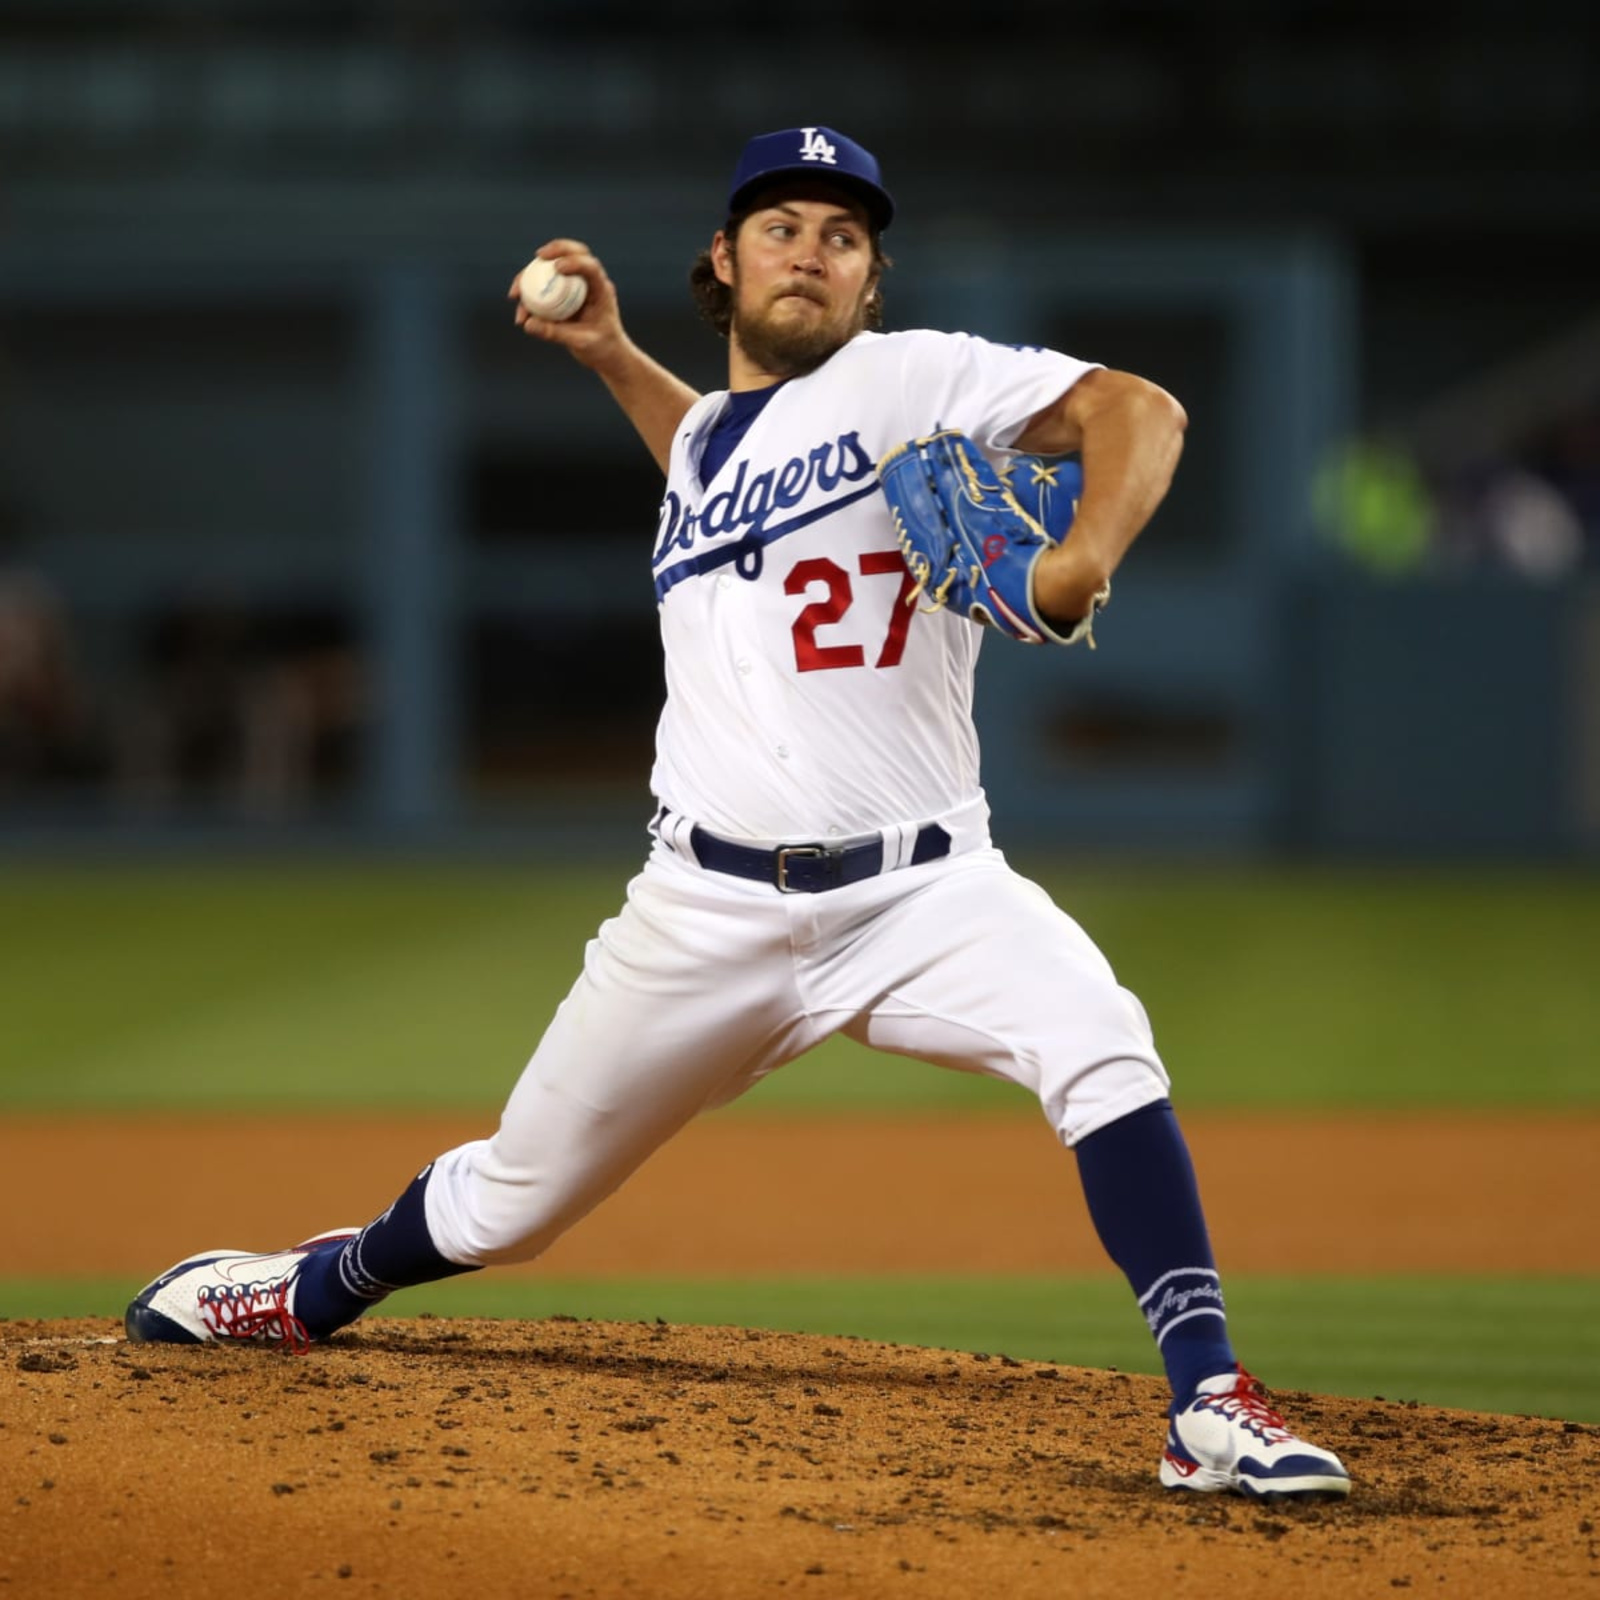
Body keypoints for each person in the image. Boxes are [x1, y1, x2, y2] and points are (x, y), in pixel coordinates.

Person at [125, 125, 1350, 1502]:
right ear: (725, 258)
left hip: (923, 892)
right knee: (508, 1204)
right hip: (701, 909)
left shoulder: (913, 376)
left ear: (872, 278)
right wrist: (607, 357)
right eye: (782, 226)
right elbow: (708, 458)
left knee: (1101, 1040)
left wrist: (1076, 561)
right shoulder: (710, 440)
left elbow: (1146, 410)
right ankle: (305, 1292)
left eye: (843, 234)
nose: (812, 251)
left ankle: (1209, 1401)